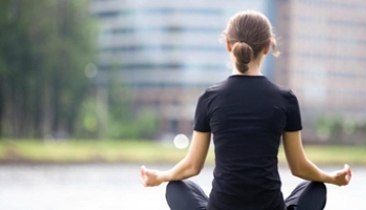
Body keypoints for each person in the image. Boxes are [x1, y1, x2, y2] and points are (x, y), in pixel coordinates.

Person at [140, 10, 352, 210]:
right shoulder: (285, 98)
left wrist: (160, 177)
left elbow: (192, 166)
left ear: (228, 45)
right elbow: (299, 167)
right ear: (268, 47)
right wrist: (332, 178)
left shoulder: (209, 98)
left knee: (175, 185)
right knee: (316, 186)